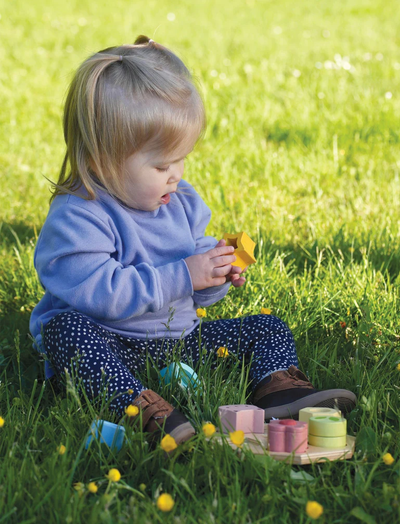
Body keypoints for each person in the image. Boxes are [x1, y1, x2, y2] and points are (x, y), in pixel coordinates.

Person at [30, 35, 356, 446]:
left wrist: (214, 275)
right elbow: (99, 292)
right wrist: (184, 275)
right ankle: (137, 407)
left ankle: (280, 391)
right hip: (108, 343)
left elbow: (193, 294)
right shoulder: (80, 213)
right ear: (102, 160)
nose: (176, 174)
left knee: (268, 327)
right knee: (64, 330)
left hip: (180, 343)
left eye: (182, 158)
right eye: (162, 164)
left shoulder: (179, 202)